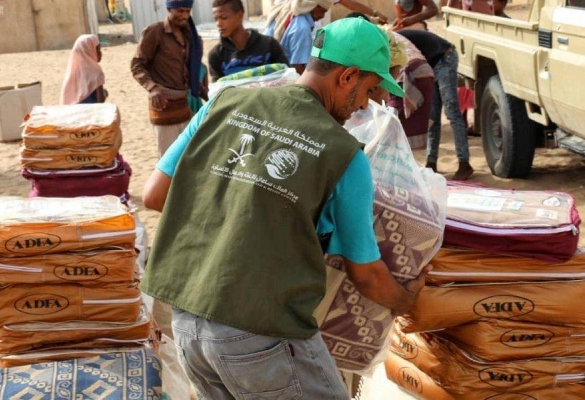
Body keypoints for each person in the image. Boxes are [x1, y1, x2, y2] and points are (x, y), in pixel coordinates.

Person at [140, 17, 427, 399]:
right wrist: (412, 304)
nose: (364, 105)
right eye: (369, 89)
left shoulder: (225, 103)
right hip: (260, 332)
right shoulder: (343, 155)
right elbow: (368, 276)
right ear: (347, 76)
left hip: (188, 322)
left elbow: (155, 194)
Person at [397, 29, 474, 180]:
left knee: (452, 111)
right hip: (430, 64)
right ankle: (431, 162)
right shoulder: (390, 39)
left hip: (444, 58)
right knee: (432, 115)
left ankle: (464, 163)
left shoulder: (392, 41)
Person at [131, 0, 205, 156]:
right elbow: (137, 64)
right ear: (169, 9)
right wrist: (152, 88)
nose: (184, 16)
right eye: (180, 11)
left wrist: (199, 87)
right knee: (168, 161)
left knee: (188, 158)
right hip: (163, 109)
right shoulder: (155, 32)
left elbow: (186, 68)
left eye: (187, 11)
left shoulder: (188, 35)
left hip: (183, 107)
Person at [209, 0, 289, 81]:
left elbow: (286, 76)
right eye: (216, 19)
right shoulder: (217, 55)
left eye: (223, 18)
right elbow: (218, 89)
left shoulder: (269, 45)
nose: (218, 24)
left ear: (239, 16)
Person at [265, 0, 332, 74]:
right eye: (323, 12)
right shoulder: (302, 28)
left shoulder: (285, 12)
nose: (322, 16)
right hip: (285, 76)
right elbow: (298, 67)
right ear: (314, 7)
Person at [60, 34, 106, 105]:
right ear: (89, 51)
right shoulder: (96, 73)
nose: (101, 53)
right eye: (98, 50)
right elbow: (100, 102)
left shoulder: (73, 71)